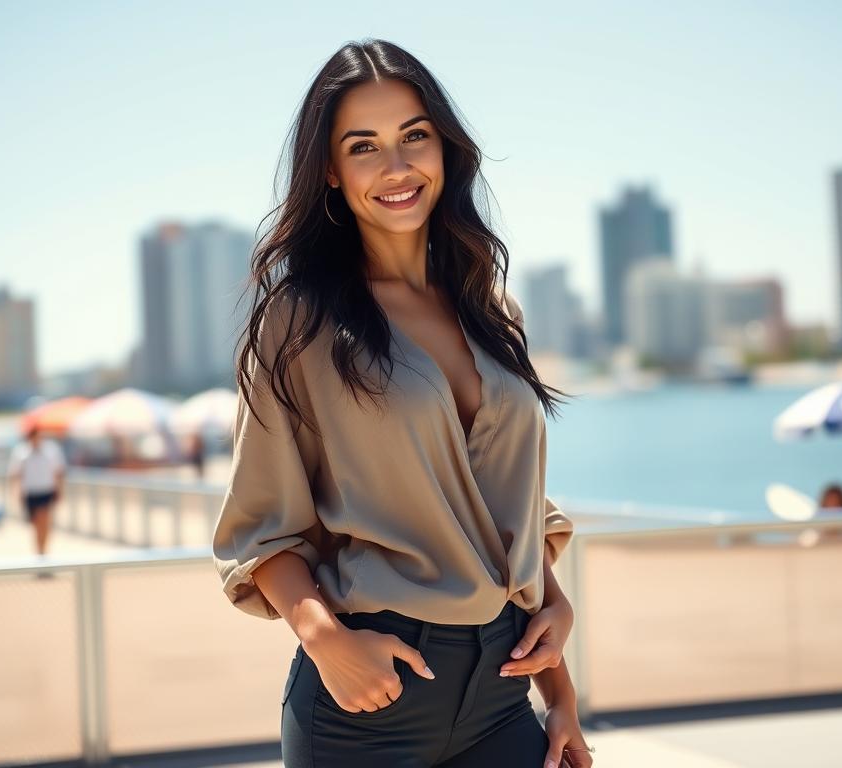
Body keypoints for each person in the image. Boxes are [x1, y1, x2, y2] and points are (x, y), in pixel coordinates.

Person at [211, 39, 593, 768]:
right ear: (330, 170)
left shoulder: (492, 309)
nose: (396, 167)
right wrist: (327, 644)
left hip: (502, 699)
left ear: (443, 149)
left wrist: (561, 687)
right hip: (368, 708)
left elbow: (506, 515)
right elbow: (262, 527)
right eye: (364, 146)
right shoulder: (298, 322)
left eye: (414, 136)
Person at [7, 427, 66, 556]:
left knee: (44, 522)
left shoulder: (51, 450)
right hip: (30, 492)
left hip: (46, 491)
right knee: (36, 525)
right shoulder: (21, 452)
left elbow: (58, 472)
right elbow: (16, 474)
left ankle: (42, 553)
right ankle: (40, 551)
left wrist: (60, 490)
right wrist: (16, 492)